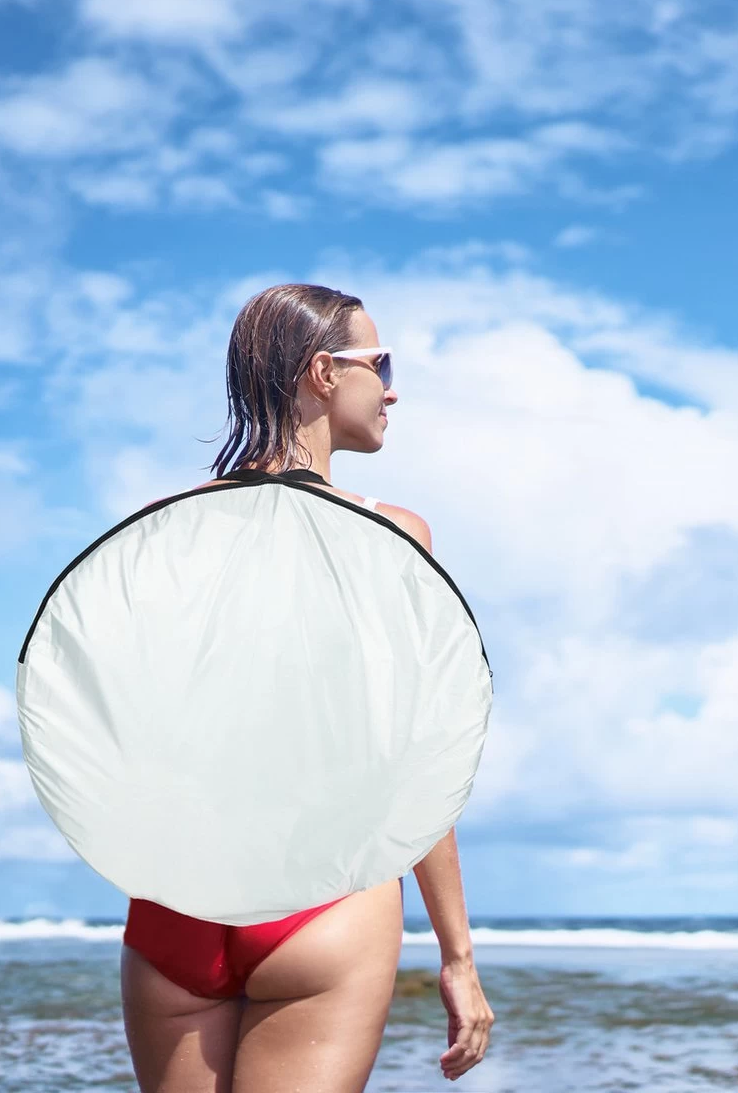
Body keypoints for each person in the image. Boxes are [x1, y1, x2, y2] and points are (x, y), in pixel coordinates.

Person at [119, 283, 495, 1091]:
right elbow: (416, 761)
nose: (392, 387)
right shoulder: (392, 533)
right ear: (325, 372)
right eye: (380, 363)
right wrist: (457, 957)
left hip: (174, 901)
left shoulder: (164, 524)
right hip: (324, 895)